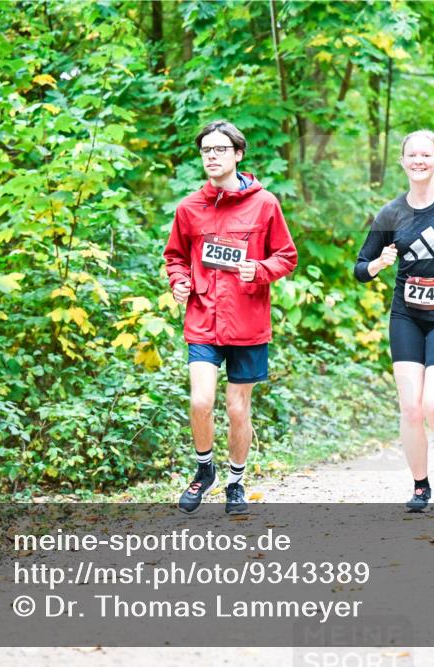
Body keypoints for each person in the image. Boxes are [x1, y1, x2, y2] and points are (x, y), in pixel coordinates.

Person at [164, 120, 298, 514]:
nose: (212, 156)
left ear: (238, 154)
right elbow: (175, 256)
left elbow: (286, 256)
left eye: (220, 149)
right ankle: (205, 469)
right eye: (206, 150)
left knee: (238, 409)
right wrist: (179, 281)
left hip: (248, 321)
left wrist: (258, 269)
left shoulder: (265, 204)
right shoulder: (189, 208)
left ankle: (235, 483)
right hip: (203, 318)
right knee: (201, 400)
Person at [354, 129, 434, 512]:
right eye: (412, 155)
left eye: (426, 155)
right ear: (402, 161)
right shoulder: (390, 213)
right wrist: (378, 264)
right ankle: (421, 486)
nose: (419, 161)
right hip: (407, 317)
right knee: (411, 409)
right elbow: (360, 268)